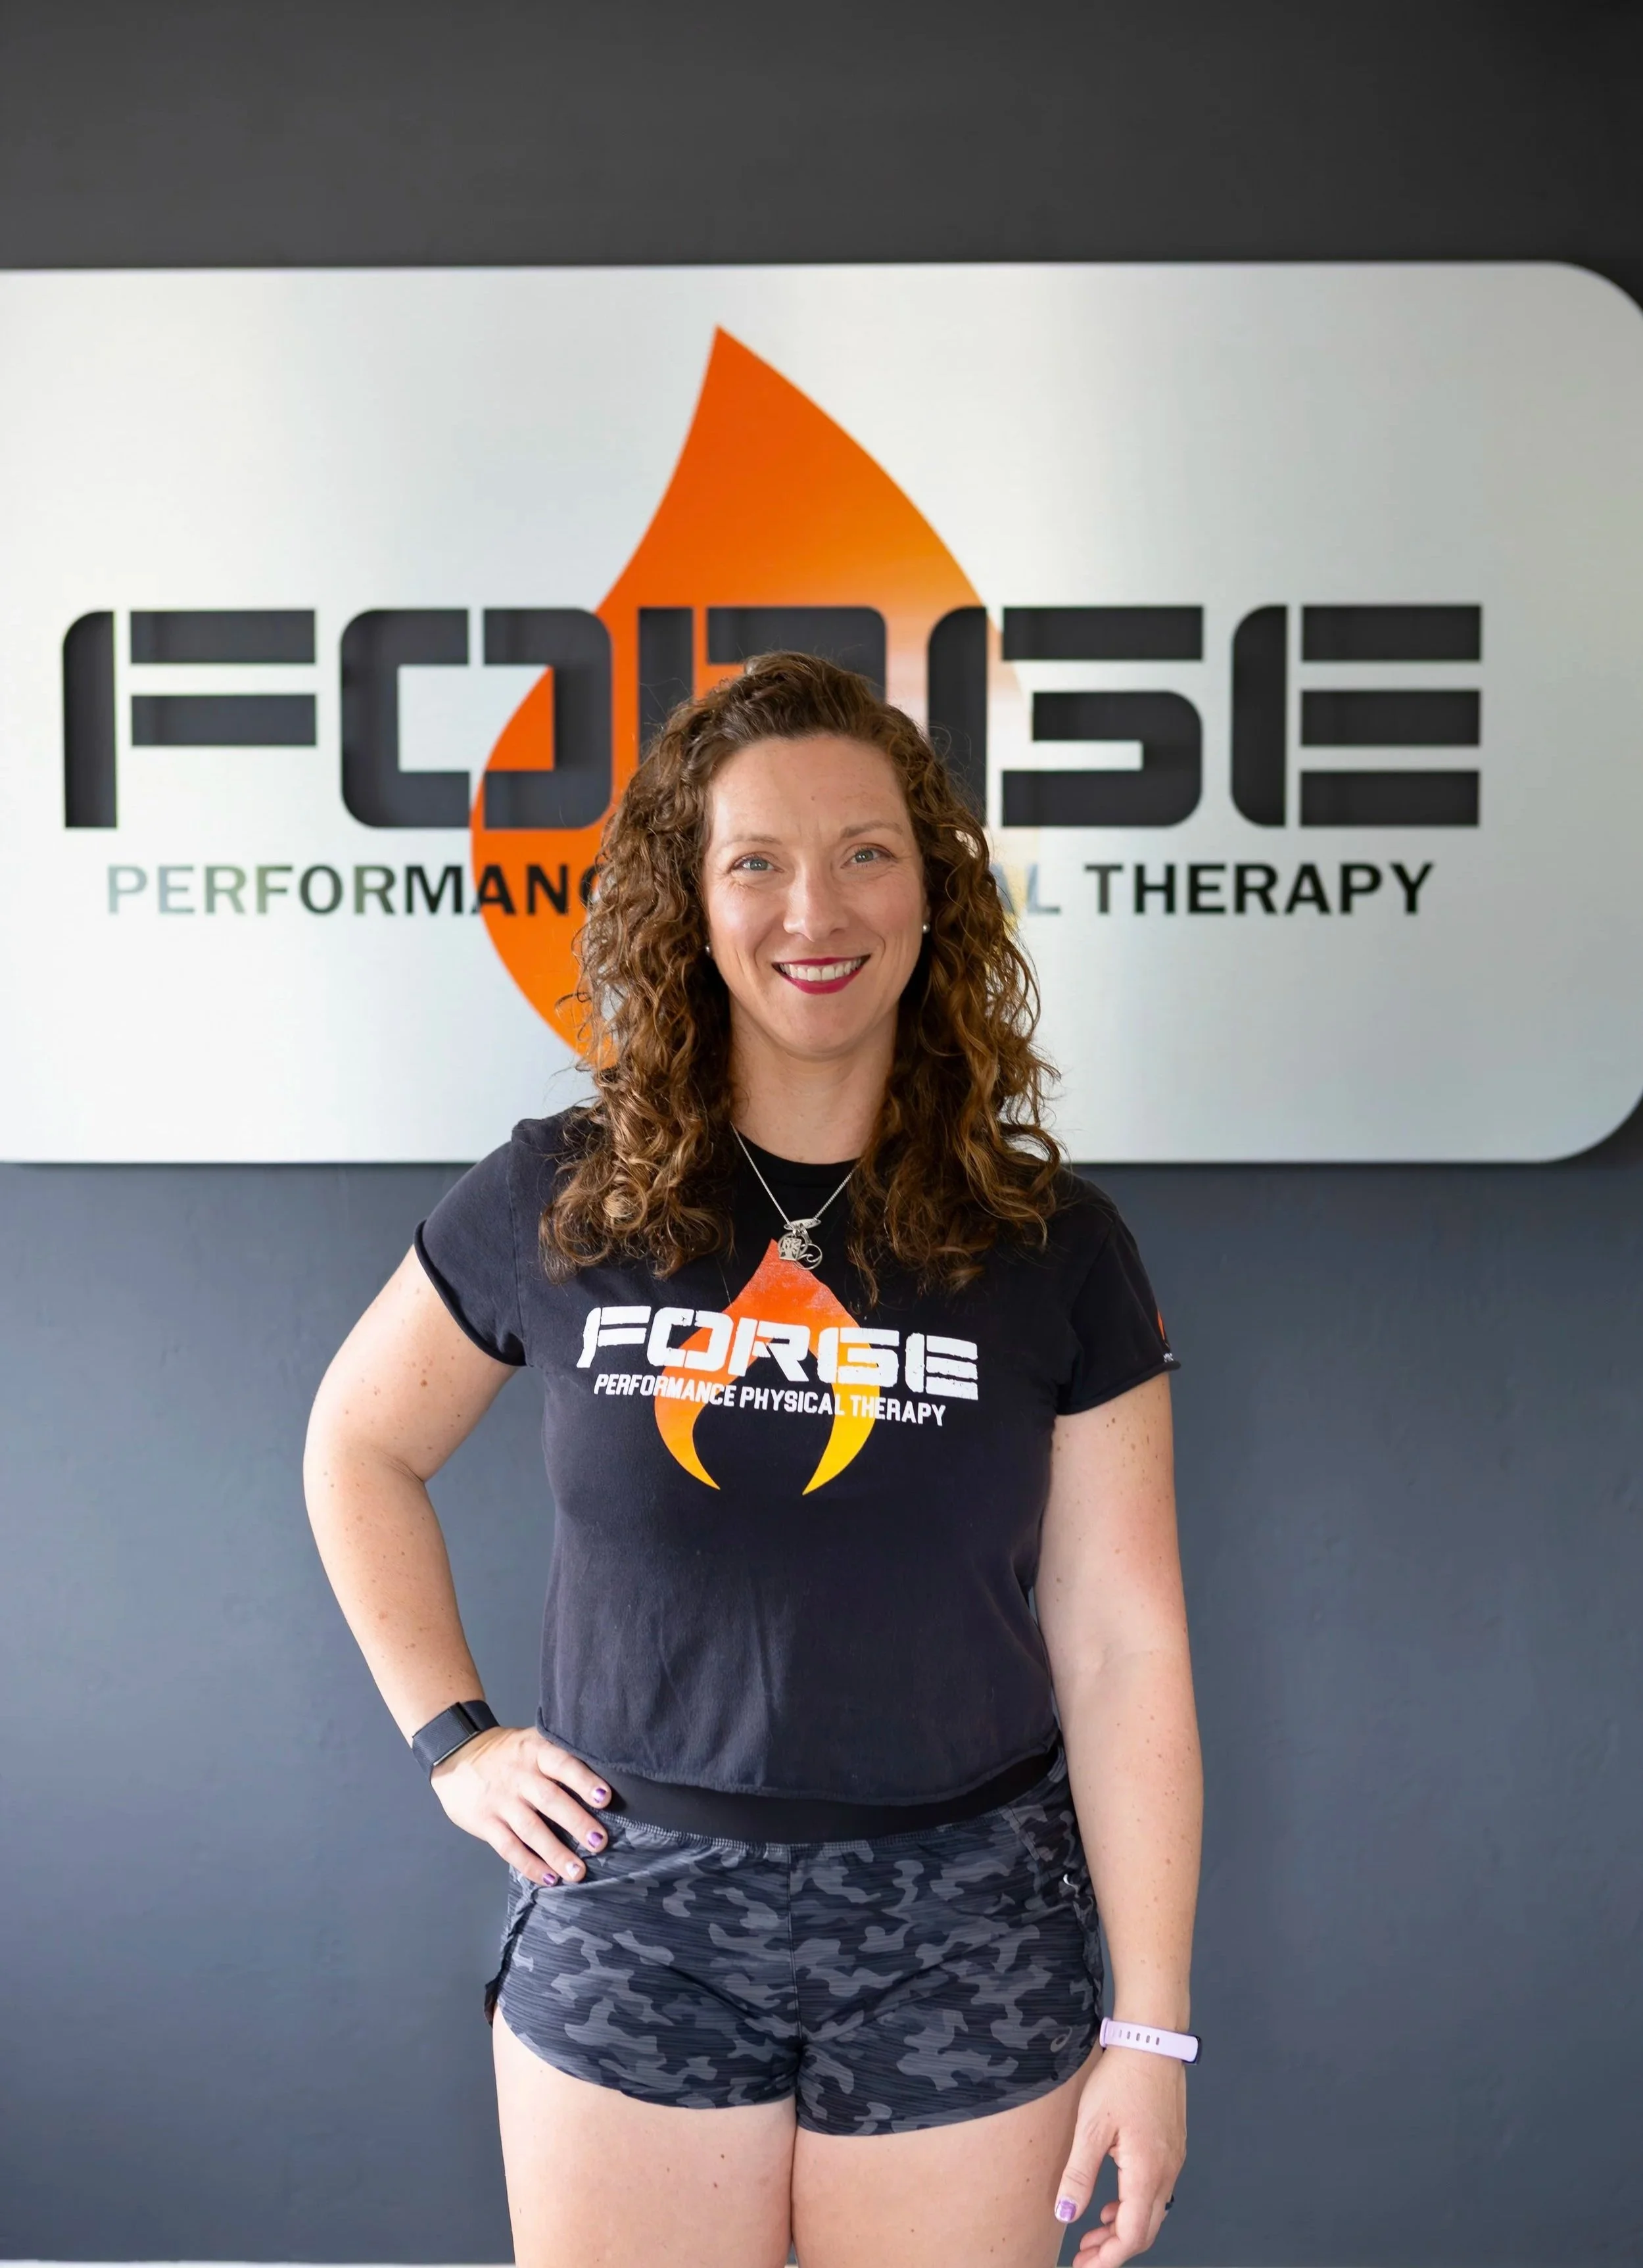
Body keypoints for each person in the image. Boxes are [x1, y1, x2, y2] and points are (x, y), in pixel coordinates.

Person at [304, 651, 1202, 2268]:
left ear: (934, 894)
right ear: (690, 901)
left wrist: (1155, 2029)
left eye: (865, 850)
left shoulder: (1051, 1243)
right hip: (635, 1916)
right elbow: (359, 1442)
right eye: (757, 860)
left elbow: (1126, 1641)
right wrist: (454, 1739)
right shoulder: (561, 1191)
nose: (817, 907)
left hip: (965, 1927)